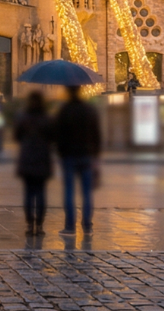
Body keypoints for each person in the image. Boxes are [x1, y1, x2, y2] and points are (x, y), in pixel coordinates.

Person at [53, 85, 101, 234]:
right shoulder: (89, 110)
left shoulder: (64, 110)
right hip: (86, 155)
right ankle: (87, 226)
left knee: (69, 191)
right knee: (87, 192)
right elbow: (96, 135)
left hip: (69, 155)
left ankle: (70, 226)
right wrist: (95, 155)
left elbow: (58, 134)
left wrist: (60, 152)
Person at [14, 92, 52, 236]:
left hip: (27, 160)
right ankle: (40, 225)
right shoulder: (47, 119)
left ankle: (30, 224)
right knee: (41, 193)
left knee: (29, 194)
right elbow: (52, 137)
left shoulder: (23, 117)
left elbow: (17, 136)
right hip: (42, 160)